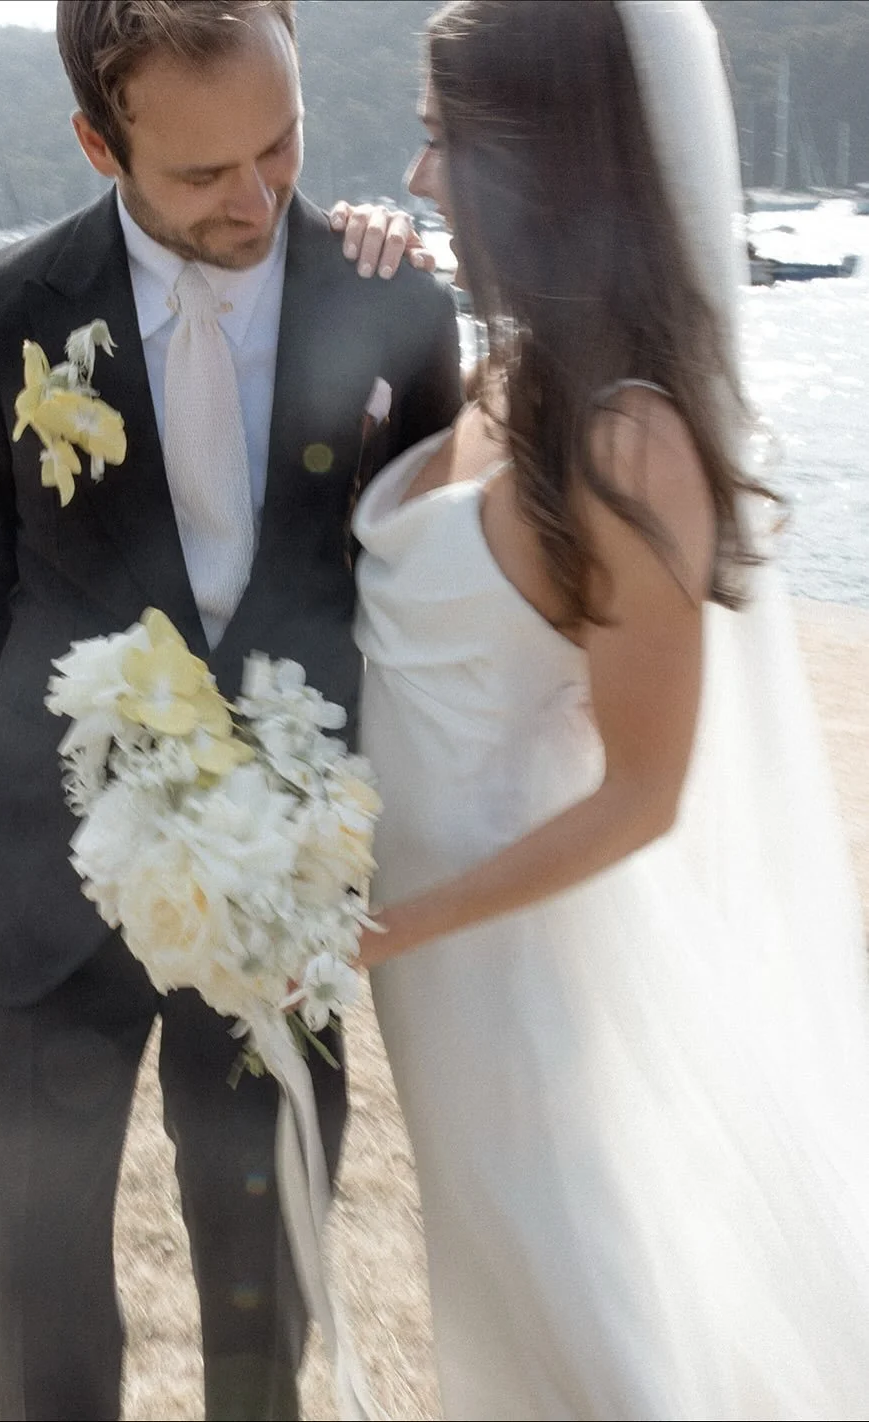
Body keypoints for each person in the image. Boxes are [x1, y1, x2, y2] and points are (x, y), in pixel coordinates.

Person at [0, 3, 461, 1418]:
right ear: (101, 142)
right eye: (203, 174)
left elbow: (420, 593)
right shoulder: (3, 310)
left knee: (260, 1279)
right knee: (43, 1289)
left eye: (279, 147)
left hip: (283, 889)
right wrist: (74, 803)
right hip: (53, 895)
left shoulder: (392, 300)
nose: (256, 197)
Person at [352, 2, 869, 1418]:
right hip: (439, 965)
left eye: (440, 141)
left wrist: (401, 922)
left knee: (596, 1323)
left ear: (538, 158)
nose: (417, 177)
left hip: (521, 967)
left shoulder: (626, 435)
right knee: (506, 1302)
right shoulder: (504, 371)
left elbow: (644, 793)